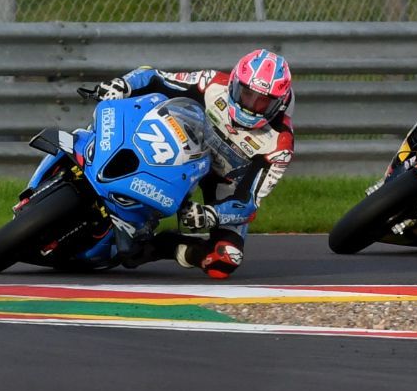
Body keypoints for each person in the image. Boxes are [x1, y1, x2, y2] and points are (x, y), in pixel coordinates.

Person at [89, 49, 295, 278]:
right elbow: (155, 77)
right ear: (235, 82)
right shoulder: (212, 84)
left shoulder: (279, 145)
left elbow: (248, 202)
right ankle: (89, 151)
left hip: (224, 185)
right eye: (247, 94)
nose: (251, 105)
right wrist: (122, 85)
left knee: (225, 259)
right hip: (185, 153)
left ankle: (158, 246)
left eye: (262, 102)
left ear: (279, 104)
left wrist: (211, 215)